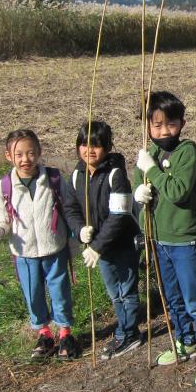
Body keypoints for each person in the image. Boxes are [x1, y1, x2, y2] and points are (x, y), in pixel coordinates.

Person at [134, 91, 196, 386]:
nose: (163, 131)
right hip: (157, 237)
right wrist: (139, 192)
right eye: (156, 125)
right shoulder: (149, 153)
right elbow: (140, 181)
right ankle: (185, 340)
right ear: (148, 125)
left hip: (183, 239)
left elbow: (177, 191)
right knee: (172, 298)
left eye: (170, 124)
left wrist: (152, 172)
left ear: (181, 124)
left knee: (194, 298)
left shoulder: (186, 152)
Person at [0, 129, 78, 360]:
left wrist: (76, 237)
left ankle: (65, 333)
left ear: (39, 152)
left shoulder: (54, 180)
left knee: (60, 291)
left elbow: (68, 209)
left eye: (30, 153)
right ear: (9, 156)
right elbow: (2, 219)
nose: (25, 159)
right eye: (19, 154)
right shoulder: (4, 186)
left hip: (54, 248)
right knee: (32, 293)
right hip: (24, 252)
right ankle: (44, 334)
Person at [62, 121, 141, 360]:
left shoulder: (116, 175)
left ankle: (129, 333)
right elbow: (70, 206)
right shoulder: (77, 175)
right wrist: (79, 230)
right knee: (113, 292)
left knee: (126, 290)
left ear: (107, 147)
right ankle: (124, 328)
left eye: (96, 145)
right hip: (99, 246)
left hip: (123, 244)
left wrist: (96, 247)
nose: (89, 150)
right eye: (84, 144)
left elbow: (120, 215)